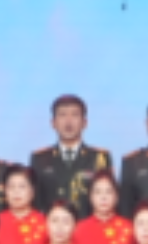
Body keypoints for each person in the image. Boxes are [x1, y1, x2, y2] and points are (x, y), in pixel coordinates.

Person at [29, 95, 114, 226]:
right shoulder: (40, 158)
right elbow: (36, 202)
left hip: (89, 228)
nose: (68, 122)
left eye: (74, 115)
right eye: (62, 115)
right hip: (53, 230)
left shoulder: (100, 157)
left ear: (84, 123)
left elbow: (109, 199)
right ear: (53, 123)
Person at [0, 167, 51, 244]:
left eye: (22, 187)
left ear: (32, 191)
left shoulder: (45, 222)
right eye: (11, 187)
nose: (16, 192)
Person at [79, 170, 132, 244]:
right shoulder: (79, 230)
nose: (103, 197)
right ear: (90, 197)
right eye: (98, 192)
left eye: (108, 192)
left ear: (116, 197)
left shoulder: (129, 229)